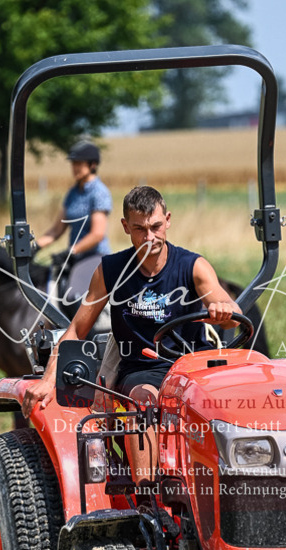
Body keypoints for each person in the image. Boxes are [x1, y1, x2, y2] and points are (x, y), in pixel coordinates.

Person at [22, 185, 239, 482]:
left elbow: (231, 313)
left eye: (156, 227)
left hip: (193, 369)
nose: (149, 237)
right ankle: (149, 501)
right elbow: (77, 329)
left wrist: (224, 312)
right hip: (143, 369)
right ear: (125, 227)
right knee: (142, 402)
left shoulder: (193, 266)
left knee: (234, 400)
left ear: (168, 220)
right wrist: (48, 380)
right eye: (139, 229)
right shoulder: (111, 270)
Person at [35, 141, 112, 305]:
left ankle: (88, 331)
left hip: (95, 256)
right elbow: (57, 229)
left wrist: (71, 251)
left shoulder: (99, 192)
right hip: (73, 257)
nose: (74, 168)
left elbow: (97, 234)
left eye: (79, 163)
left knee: (73, 296)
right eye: (73, 163)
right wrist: (35, 247)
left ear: (93, 164)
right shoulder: (72, 193)